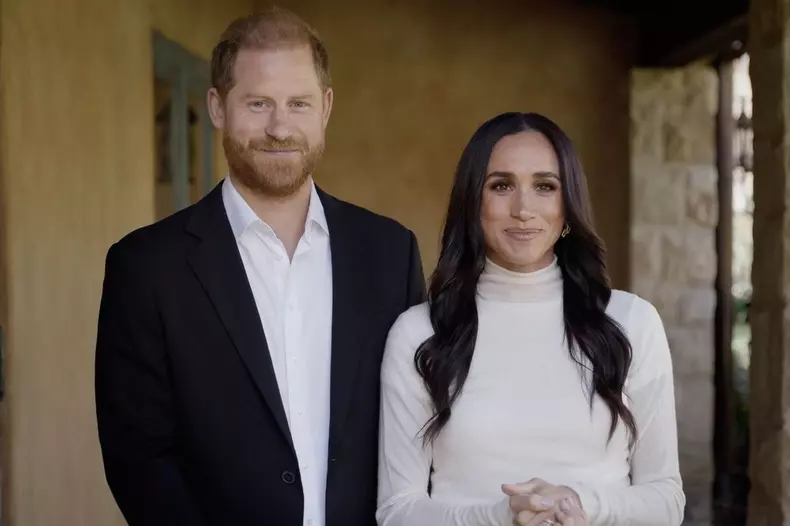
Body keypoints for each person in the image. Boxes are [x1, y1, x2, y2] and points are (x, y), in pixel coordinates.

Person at [95, 7, 425, 526]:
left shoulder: (390, 253)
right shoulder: (145, 268)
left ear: (326, 108)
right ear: (217, 107)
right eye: (258, 103)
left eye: (298, 103)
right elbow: (139, 460)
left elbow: (416, 430)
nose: (280, 127)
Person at [376, 112, 685, 526]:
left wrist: (578, 505)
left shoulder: (632, 323)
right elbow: (397, 511)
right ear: (473, 201)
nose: (523, 209)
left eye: (545, 186)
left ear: (567, 204)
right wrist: (501, 516)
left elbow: (666, 500)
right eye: (501, 185)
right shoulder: (419, 334)